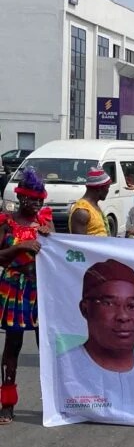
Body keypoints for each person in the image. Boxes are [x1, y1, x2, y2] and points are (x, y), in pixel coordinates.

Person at [56, 259, 134, 424]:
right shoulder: (62, 372)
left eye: (132, 306)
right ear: (85, 308)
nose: (123, 317)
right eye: (109, 304)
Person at [0, 168, 53, 424]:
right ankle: (7, 403)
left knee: (47, 346)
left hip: (41, 288)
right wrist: (20, 246)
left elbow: (57, 252)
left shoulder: (45, 221)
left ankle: (53, 403)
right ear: (21, 198)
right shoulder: (7, 222)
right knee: (13, 344)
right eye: (32, 200)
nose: (36, 205)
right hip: (15, 287)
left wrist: (48, 236)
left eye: (40, 200)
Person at [69, 169, 111, 236]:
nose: (108, 191)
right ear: (99, 188)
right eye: (107, 188)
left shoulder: (95, 206)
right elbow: (80, 243)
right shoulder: (82, 212)